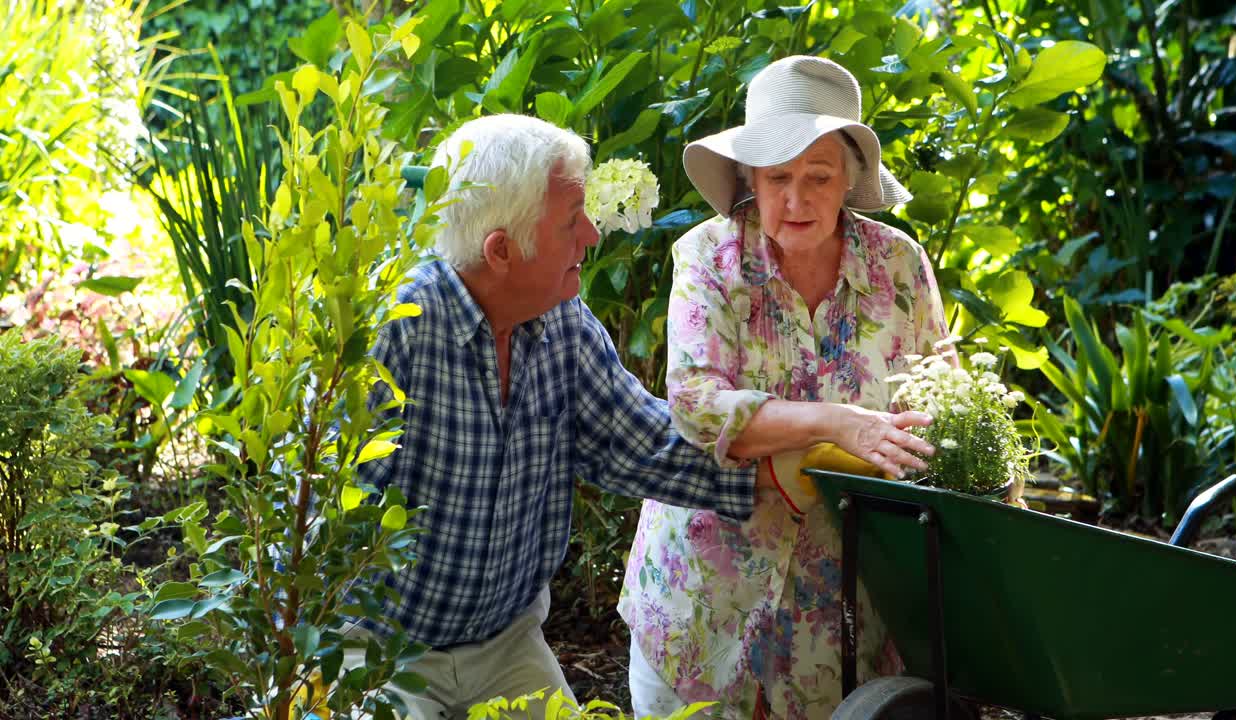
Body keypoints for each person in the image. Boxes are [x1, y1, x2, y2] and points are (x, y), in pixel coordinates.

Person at [349, 114, 771, 720]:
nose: (594, 235)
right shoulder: (398, 329)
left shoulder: (561, 324)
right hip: (383, 653)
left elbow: (643, 442)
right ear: (502, 251)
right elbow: (320, 508)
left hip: (504, 644)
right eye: (572, 221)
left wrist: (781, 470)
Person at [618, 56, 949, 719]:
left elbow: (941, 399)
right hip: (706, 603)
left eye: (818, 177)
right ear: (748, 178)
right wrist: (833, 422)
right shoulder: (708, 257)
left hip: (842, 614)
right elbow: (695, 403)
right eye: (778, 178)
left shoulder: (900, 266)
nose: (796, 199)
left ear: (851, 179)